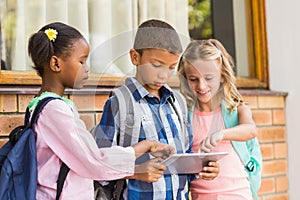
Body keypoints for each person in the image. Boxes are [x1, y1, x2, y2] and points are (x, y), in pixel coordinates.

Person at [27, 22, 175, 200]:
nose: (87, 68)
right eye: (81, 61)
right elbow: (93, 160)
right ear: (56, 63)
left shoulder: (39, 105)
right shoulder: (55, 110)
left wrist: (144, 146)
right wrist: (138, 162)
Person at [94, 19, 219, 200]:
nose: (164, 74)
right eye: (157, 65)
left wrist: (202, 168)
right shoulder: (119, 103)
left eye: (171, 68)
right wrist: (135, 172)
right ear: (135, 57)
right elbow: (99, 164)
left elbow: (185, 155)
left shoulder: (179, 103)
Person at [177, 39, 258, 199]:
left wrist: (222, 134)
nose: (201, 86)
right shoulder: (184, 116)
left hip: (238, 195)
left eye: (208, 78)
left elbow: (250, 130)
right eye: (193, 79)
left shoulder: (237, 109)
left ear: (221, 76)